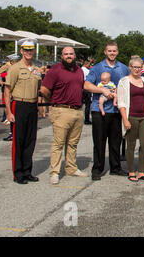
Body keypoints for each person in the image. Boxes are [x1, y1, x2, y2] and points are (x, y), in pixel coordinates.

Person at [40, 47, 89, 185]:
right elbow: (44, 89)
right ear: (61, 56)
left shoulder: (79, 70)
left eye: (71, 54)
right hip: (61, 110)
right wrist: (54, 101)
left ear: (75, 55)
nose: (69, 56)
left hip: (77, 110)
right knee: (58, 143)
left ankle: (71, 168)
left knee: (73, 143)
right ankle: (54, 172)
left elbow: (82, 86)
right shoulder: (55, 70)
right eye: (66, 54)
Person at [84, 42, 130, 181]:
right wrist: (102, 90)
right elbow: (86, 85)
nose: (112, 53)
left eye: (114, 51)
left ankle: (115, 167)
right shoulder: (98, 68)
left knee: (116, 142)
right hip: (99, 110)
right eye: (109, 51)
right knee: (99, 141)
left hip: (116, 110)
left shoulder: (123, 68)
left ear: (117, 52)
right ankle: (97, 168)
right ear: (105, 52)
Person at [4, 39, 42, 184]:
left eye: (31, 49)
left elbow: (39, 88)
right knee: (19, 140)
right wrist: (9, 112)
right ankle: (18, 173)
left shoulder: (36, 69)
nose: (28, 52)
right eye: (25, 50)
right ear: (21, 51)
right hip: (19, 104)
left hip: (32, 106)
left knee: (30, 140)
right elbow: (7, 91)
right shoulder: (15, 69)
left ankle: (27, 171)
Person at [117, 57, 144, 182]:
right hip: (131, 117)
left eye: (139, 67)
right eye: (134, 67)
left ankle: (141, 171)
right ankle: (132, 170)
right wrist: (125, 120)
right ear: (130, 67)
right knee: (131, 145)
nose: (137, 69)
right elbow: (121, 103)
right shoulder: (124, 81)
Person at [81, 60, 92, 125]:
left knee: (80, 104)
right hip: (87, 89)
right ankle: (87, 119)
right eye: (89, 64)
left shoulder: (79, 70)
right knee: (87, 105)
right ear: (86, 64)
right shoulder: (88, 71)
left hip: (80, 88)